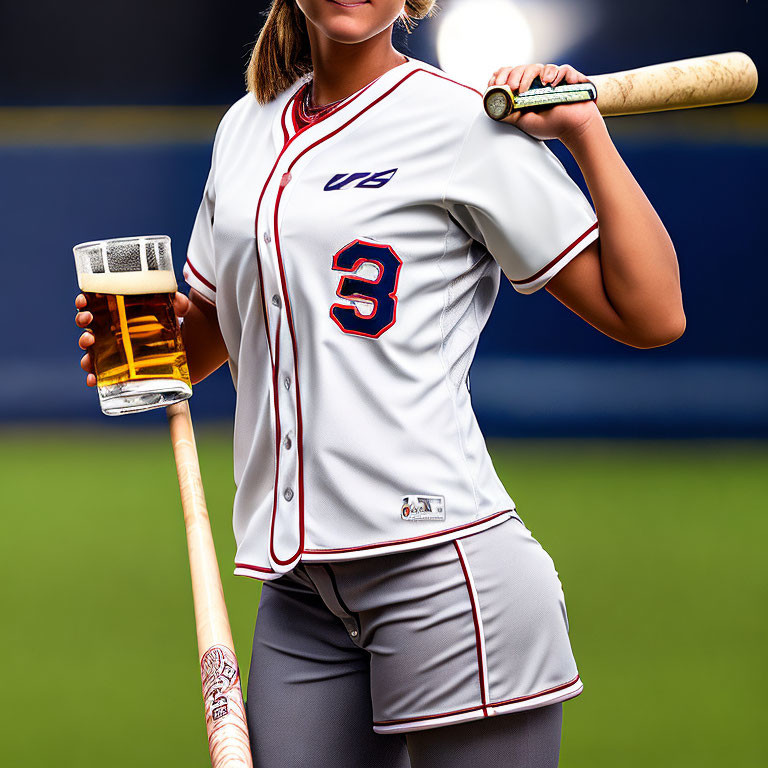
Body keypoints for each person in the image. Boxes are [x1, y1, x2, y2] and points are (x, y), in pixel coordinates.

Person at [75, 1, 685, 765]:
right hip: (301, 593)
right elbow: (206, 343)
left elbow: (653, 312)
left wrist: (586, 135)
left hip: (441, 572)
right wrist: (133, 343)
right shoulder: (245, 128)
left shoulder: (465, 124)